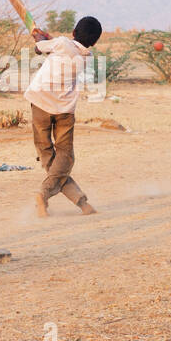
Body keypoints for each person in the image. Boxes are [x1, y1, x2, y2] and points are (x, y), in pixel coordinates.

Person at [25, 16, 102, 216]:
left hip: (40, 101)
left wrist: (38, 37)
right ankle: (80, 201)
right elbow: (66, 46)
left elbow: (38, 49)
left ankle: (47, 195)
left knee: (47, 154)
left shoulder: (60, 43)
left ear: (74, 32)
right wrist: (44, 38)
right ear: (94, 42)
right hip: (64, 110)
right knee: (65, 157)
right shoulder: (88, 57)